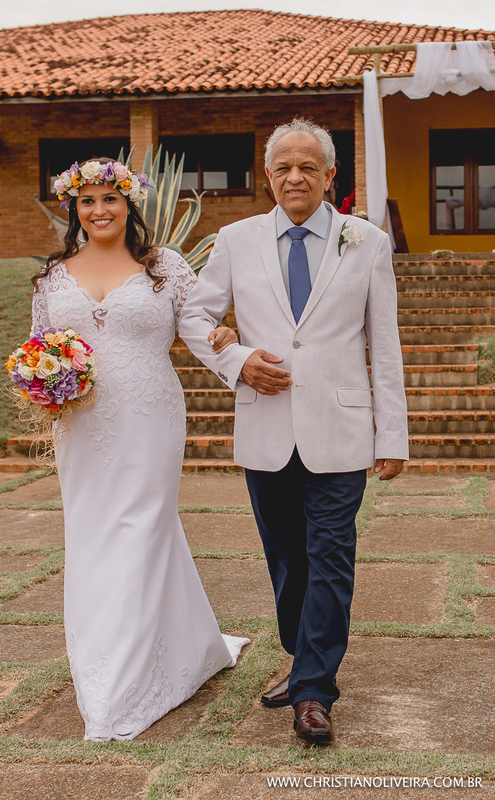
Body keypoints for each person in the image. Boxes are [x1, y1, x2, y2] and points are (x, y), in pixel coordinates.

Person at [179, 118, 409, 745]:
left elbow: (384, 346)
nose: (295, 177)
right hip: (267, 428)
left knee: (331, 559)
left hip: (341, 429)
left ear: (330, 175)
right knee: (287, 563)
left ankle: (313, 691)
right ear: (268, 176)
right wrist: (236, 362)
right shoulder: (235, 240)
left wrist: (393, 436)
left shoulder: (367, 242)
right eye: (283, 167)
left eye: (308, 166)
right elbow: (195, 315)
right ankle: (304, 654)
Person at [29, 157, 249, 741]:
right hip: (78, 422)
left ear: (130, 205)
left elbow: (203, 329)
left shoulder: (165, 268)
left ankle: (120, 688)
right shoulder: (54, 276)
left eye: (110, 199)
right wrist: (41, 378)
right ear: (72, 209)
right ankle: (171, 644)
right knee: (93, 531)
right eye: (87, 202)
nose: (99, 211)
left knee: (143, 528)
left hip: (150, 416)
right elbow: (37, 345)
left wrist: (240, 356)